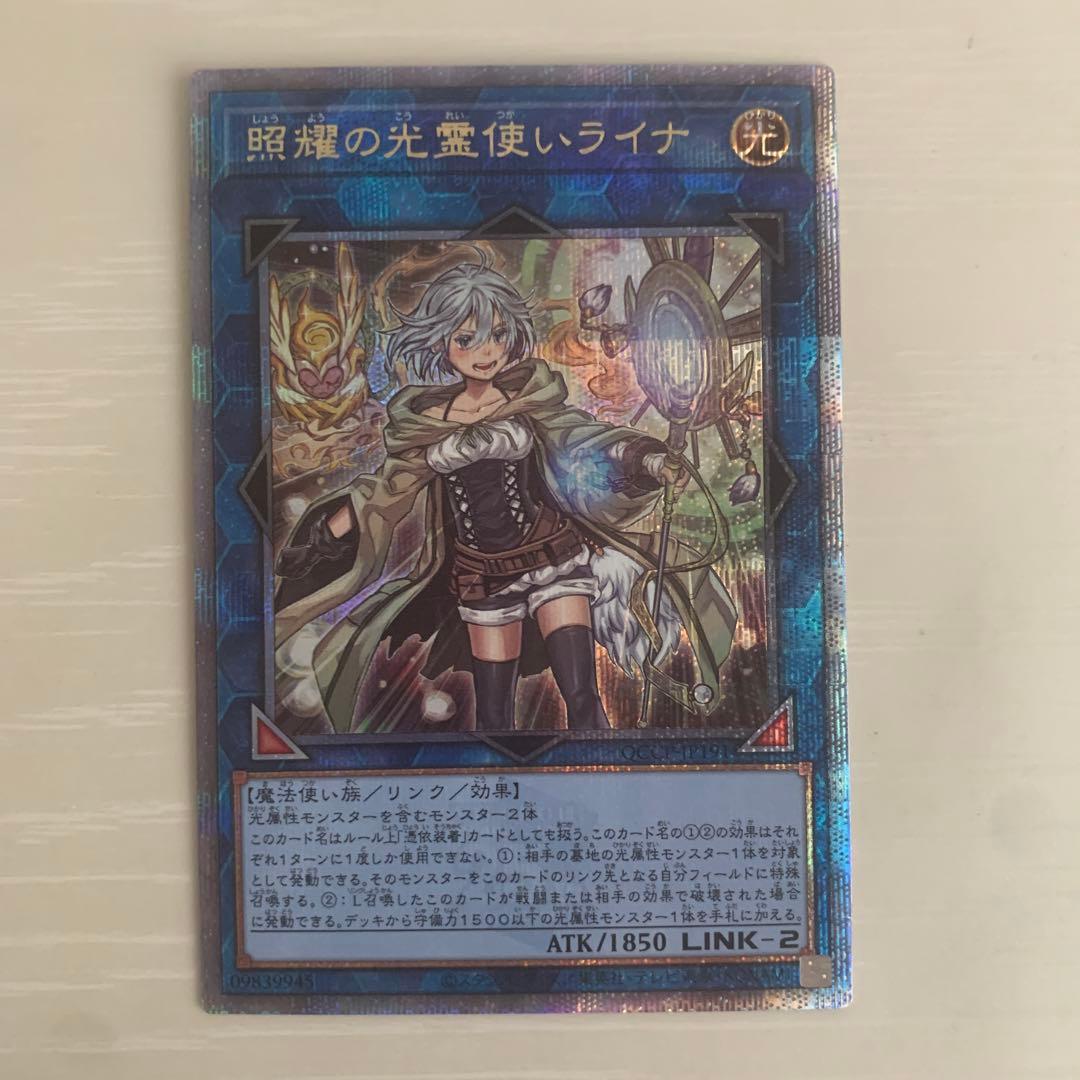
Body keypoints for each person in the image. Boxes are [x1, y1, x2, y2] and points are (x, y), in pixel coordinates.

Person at [274, 255, 736, 733]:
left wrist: (649, 460)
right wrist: (322, 540)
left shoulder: (530, 400)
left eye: (497, 334)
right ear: (443, 342)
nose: (486, 350)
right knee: (495, 715)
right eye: (467, 339)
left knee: (582, 695)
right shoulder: (424, 425)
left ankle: (602, 769)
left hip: (553, 557)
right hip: (480, 576)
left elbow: (585, 438)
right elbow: (384, 492)